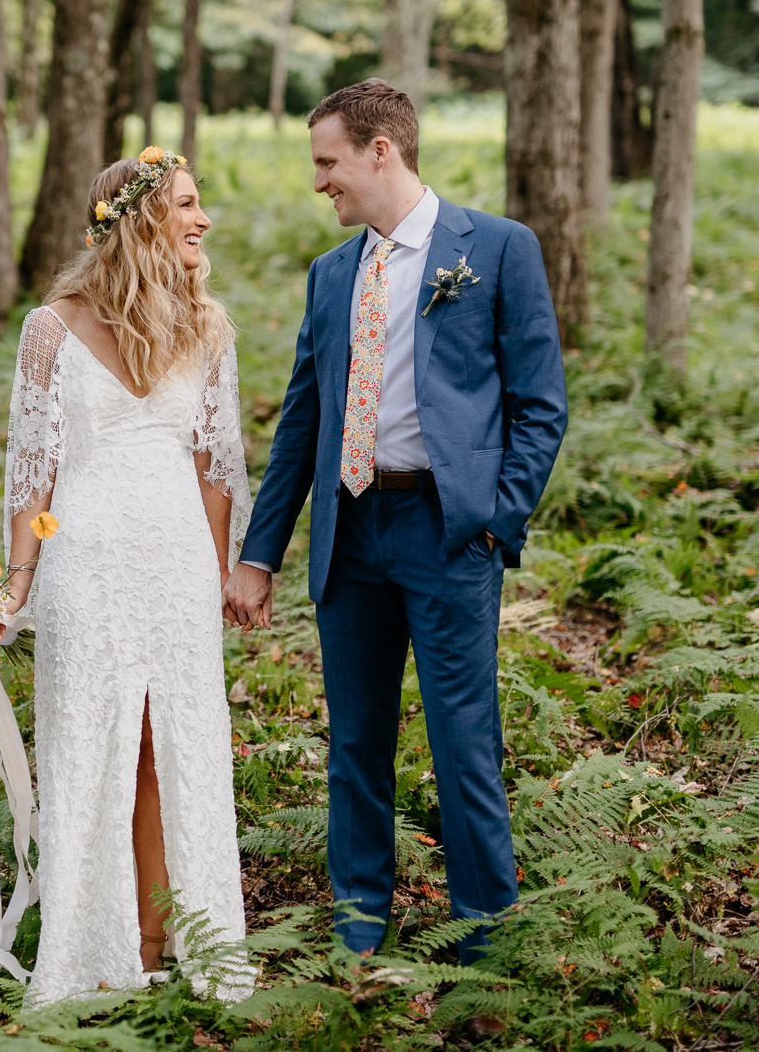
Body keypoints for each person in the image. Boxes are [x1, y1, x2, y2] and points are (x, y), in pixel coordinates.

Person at [222, 79, 568, 961]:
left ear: (383, 151)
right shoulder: (331, 274)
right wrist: (259, 554)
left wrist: (494, 520)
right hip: (352, 534)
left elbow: (540, 405)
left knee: (464, 746)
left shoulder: (496, 248)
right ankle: (358, 919)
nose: (319, 183)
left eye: (327, 162)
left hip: (448, 533)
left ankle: (482, 940)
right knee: (356, 741)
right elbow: (303, 419)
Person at [0, 148, 254, 1005]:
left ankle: (168, 940)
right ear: (141, 219)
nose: (203, 219)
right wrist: (16, 584)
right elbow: (32, 470)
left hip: (177, 563)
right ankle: (95, 948)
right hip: (89, 560)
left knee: (173, 745)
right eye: (186, 204)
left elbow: (217, 466)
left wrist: (221, 573)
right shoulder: (51, 327)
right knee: (93, 744)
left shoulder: (205, 324)